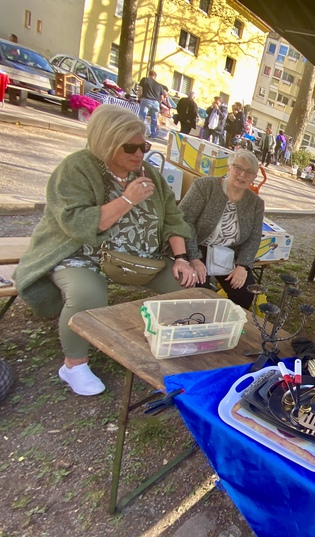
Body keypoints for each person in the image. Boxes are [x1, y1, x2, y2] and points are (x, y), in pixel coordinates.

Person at [14, 105, 194, 396]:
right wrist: (127, 199)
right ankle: (73, 365)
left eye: (144, 146)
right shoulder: (75, 169)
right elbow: (76, 223)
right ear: (106, 143)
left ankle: (179, 346)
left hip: (137, 258)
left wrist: (183, 259)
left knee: (188, 287)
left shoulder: (149, 173)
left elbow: (174, 218)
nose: (139, 154)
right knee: (88, 294)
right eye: (130, 147)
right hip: (82, 254)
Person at [178, 150, 264, 310]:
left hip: (230, 253)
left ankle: (227, 323)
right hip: (199, 246)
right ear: (228, 168)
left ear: (253, 178)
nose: (242, 175)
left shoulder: (256, 203)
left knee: (245, 291)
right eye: (238, 168)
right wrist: (194, 257)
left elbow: (254, 237)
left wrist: (243, 265)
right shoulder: (205, 186)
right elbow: (184, 219)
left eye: (249, 172)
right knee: (200, 290)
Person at [137, 70, 167, 139]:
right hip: (156, 102)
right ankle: (153, 135)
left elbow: (140, 89)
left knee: (142, 117)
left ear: (149, 74)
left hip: (146, 100)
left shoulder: (145, 80)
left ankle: (140, 133)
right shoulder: (159, 85)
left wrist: (139, 97)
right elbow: (162, 97)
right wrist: (158, 103)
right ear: (155, 77)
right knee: (154, 119)